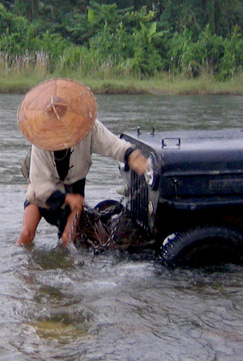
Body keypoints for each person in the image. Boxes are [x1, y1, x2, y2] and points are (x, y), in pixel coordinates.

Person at [16, 78, 148, 246]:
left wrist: (131, 154)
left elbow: (113, 145)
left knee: (67, 241)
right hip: (43, 193)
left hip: (75, 186)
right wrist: (67, 199)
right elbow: (41, 187)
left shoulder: (87, 127)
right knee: (26, 234)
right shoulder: (41, 143)